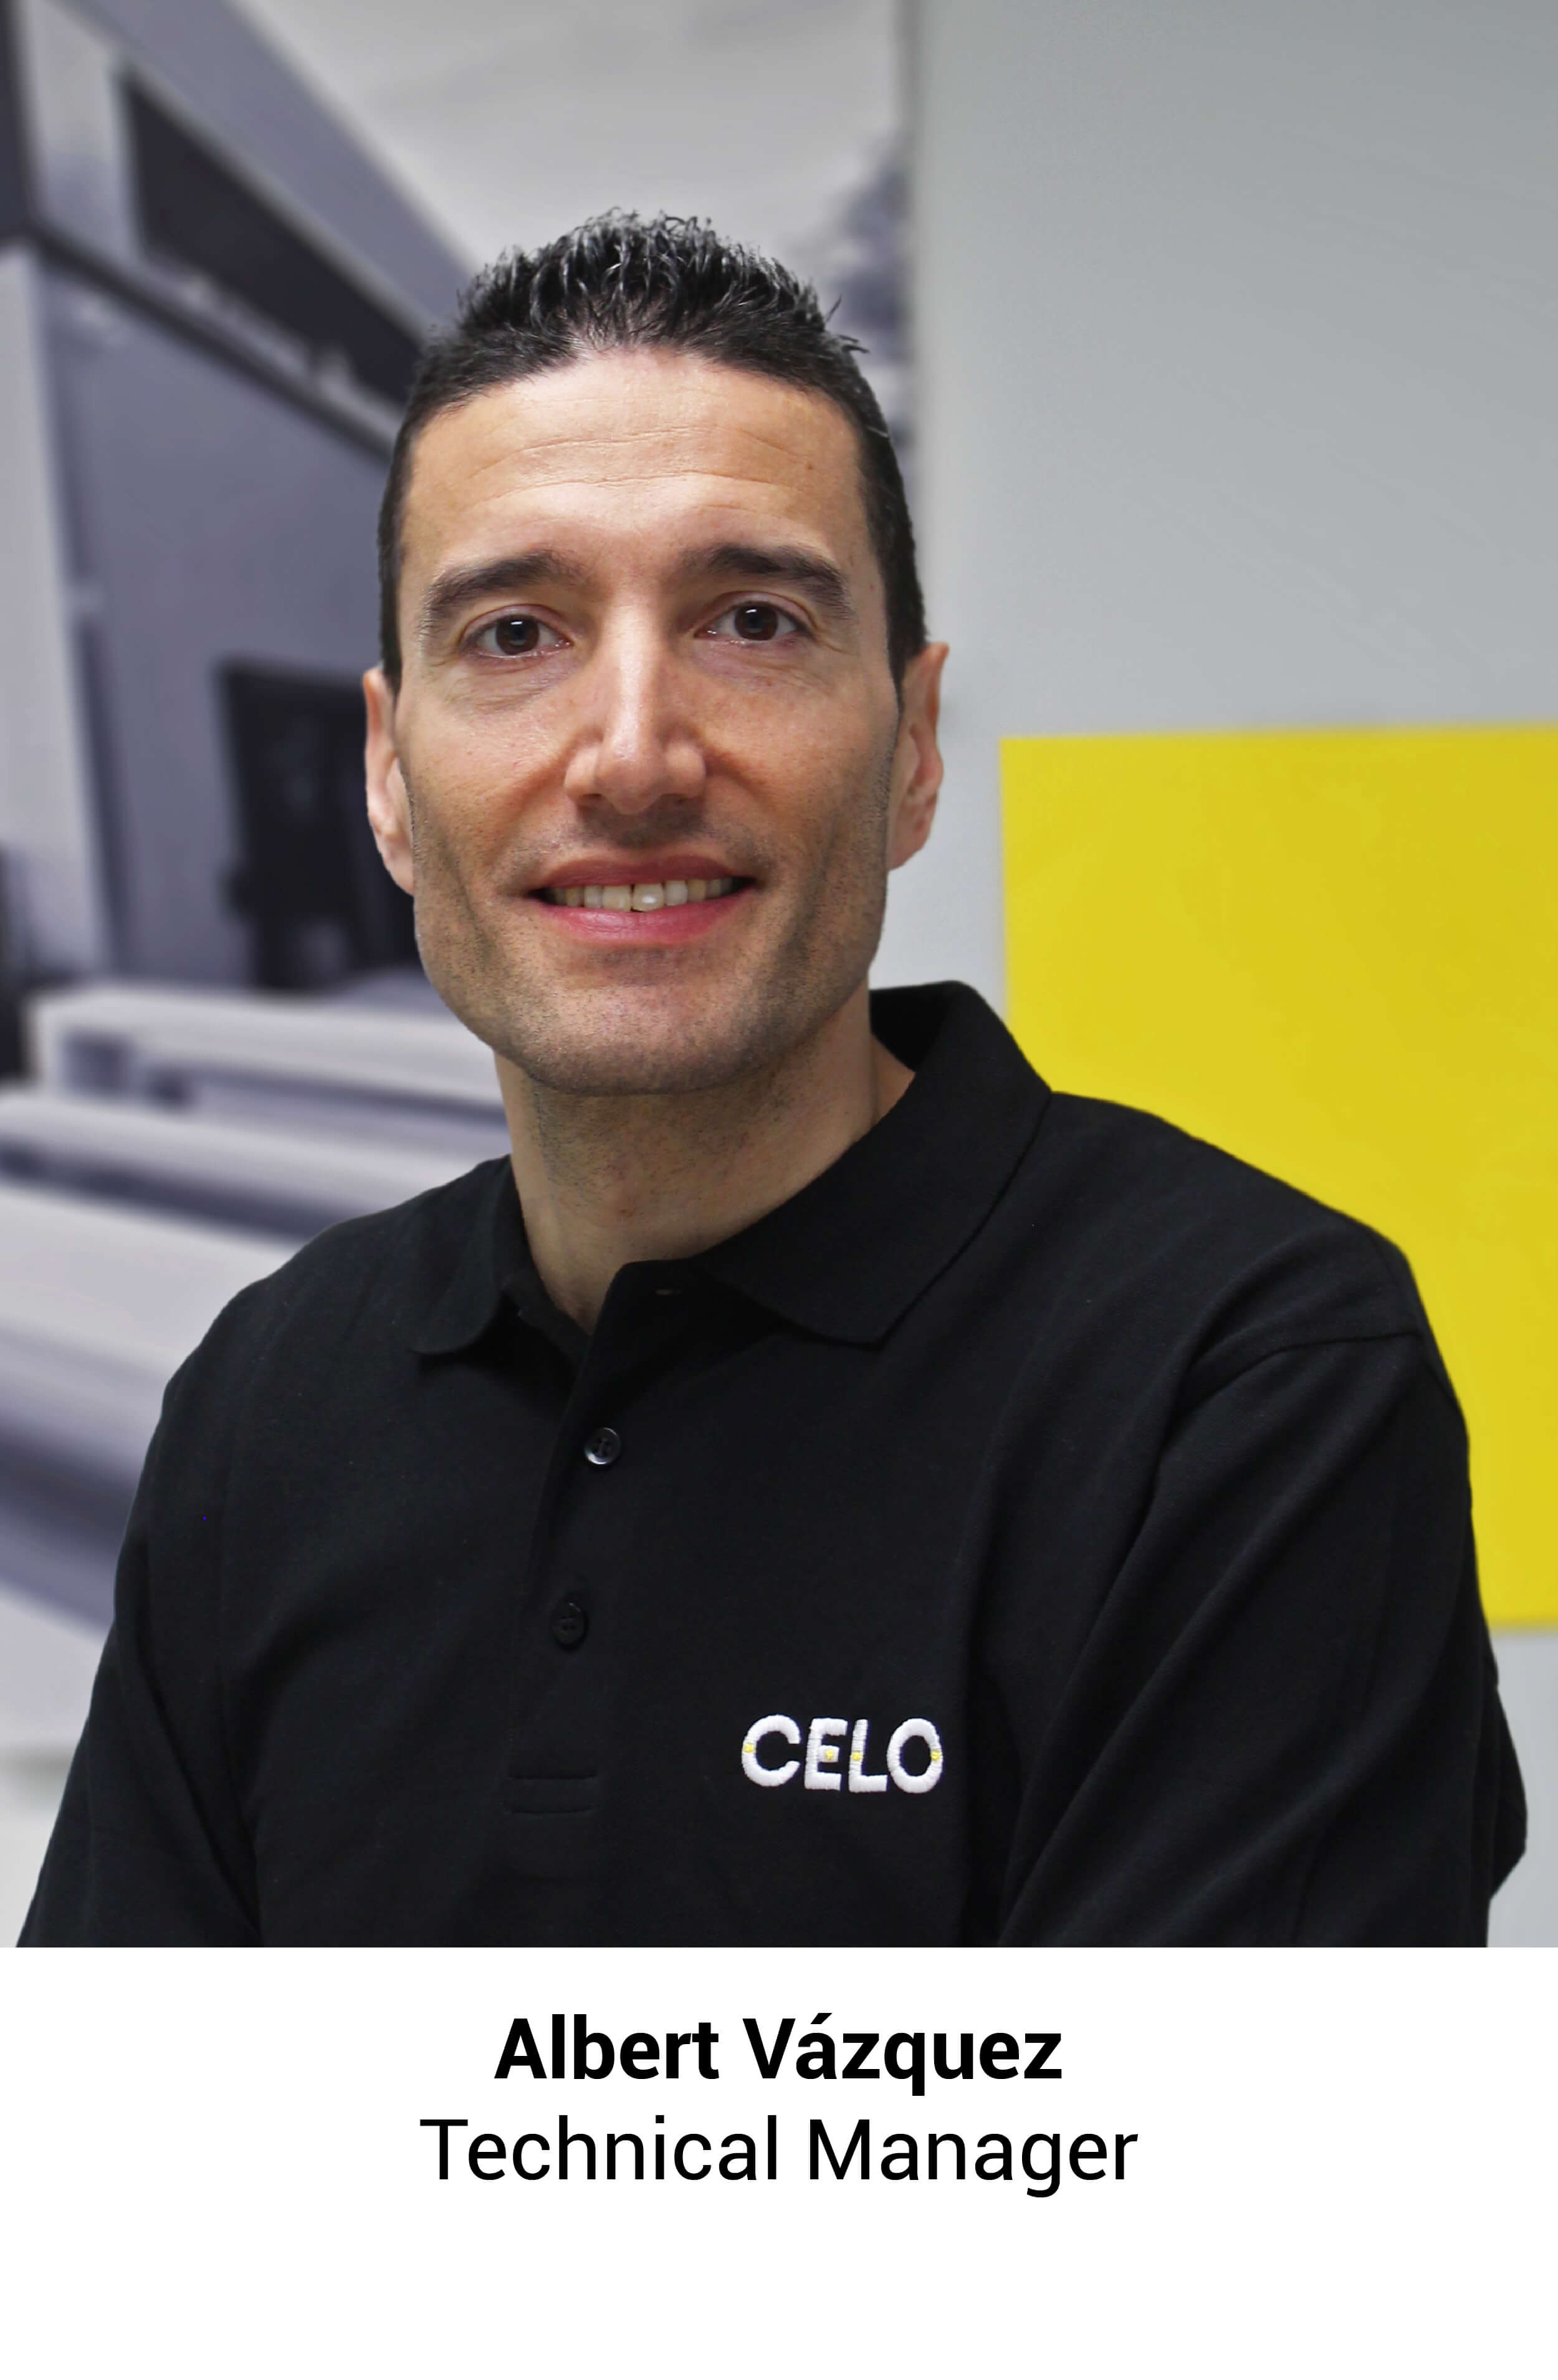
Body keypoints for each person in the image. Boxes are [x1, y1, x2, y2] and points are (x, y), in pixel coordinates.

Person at [22, 215, 1522, 1946]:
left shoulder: (1244, 1379)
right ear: (387, 776)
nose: (633, 756)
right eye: (513, 634)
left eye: (751, 619)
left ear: (913, 748)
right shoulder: (268, 1397)